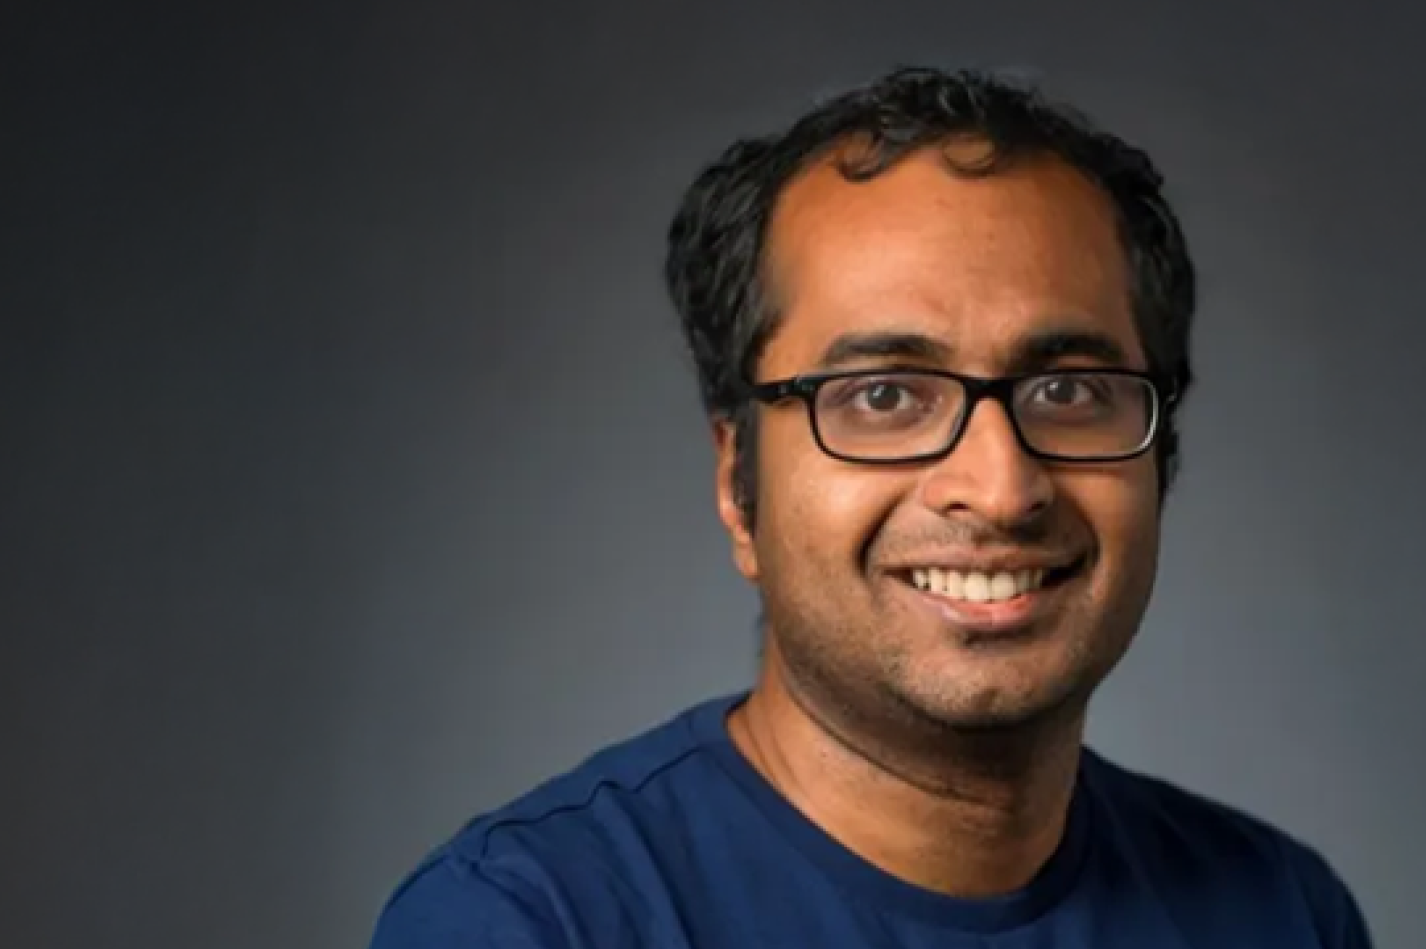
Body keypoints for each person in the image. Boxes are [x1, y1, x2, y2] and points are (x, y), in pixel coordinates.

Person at [368, 65, 1374, 948]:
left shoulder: (1282, 912)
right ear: (737, 483)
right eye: (883, 395)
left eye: (1068, 390)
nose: (999, 486)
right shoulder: (529, 923)